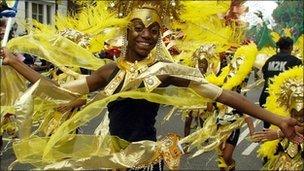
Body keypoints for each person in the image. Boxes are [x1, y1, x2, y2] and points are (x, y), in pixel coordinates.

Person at [0, 5, 303, 170]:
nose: (146, 35)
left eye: (154, 30)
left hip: (146, 160)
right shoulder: (110, 71)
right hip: (109, 157)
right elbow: (59, 92)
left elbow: (226, 95)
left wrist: (278, 120)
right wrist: (14, 62)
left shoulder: (166, 72)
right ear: (127, 31)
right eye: (139, 28)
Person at [259, 36, 302, 129]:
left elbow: (265, 74)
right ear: (291, 47)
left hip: (266, 99)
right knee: (284, 132)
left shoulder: (270, 60)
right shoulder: (295, 61)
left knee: (268, 131)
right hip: (283, 102)